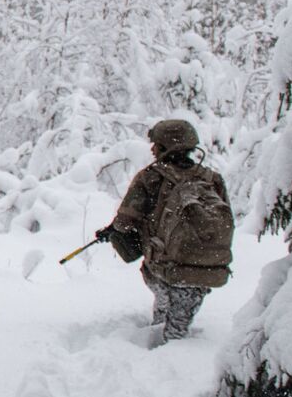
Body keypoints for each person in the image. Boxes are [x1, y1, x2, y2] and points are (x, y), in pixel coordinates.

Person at [97, 119, 234, 344]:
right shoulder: (211, 178)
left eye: (156, 144)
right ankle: (169, 341)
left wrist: (113, 232)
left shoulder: (150, 177)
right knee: (178, 328)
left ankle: (162, 341)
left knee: (165, 312)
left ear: (164, 146)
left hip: (165, 267)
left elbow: (125, 221)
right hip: (209, 267)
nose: (152, 149)